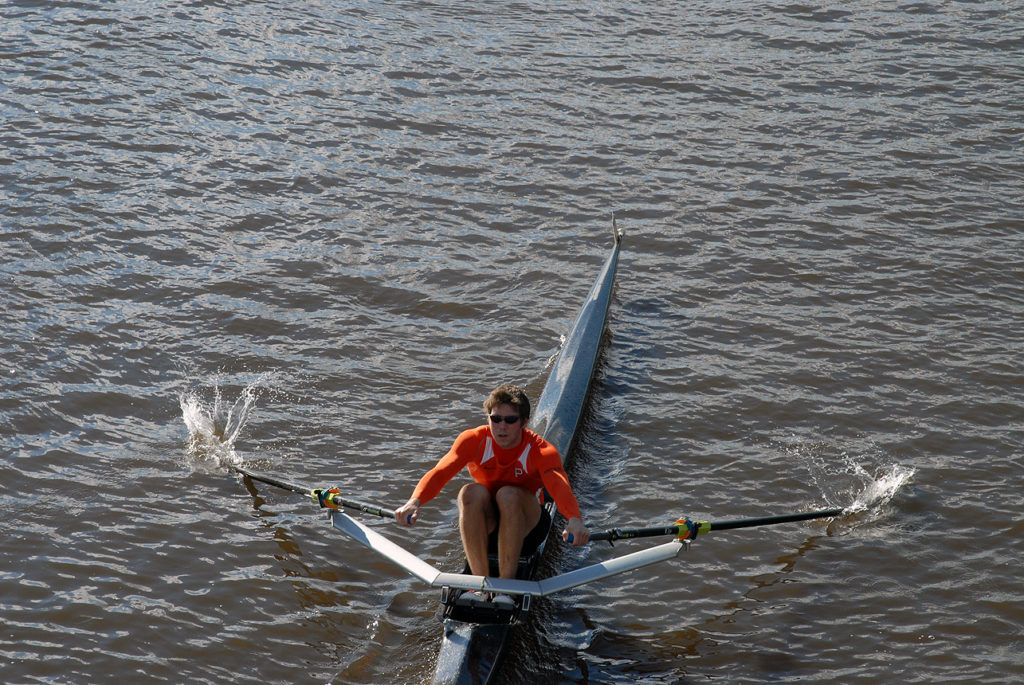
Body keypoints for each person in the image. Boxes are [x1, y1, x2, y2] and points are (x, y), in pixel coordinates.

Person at [395, 383, 589, 606]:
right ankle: (478, 587)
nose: (501, 426)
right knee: (469, 492)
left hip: (528, 527)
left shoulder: (540, 450)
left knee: (507, 494)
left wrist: (574, 519)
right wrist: (414, 501)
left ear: (524, 422)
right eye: (495, 419)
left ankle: (506, 590)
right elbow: (440, 472)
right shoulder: (473, 440)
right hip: (491, 524)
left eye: (510, 420)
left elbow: (558, 484)